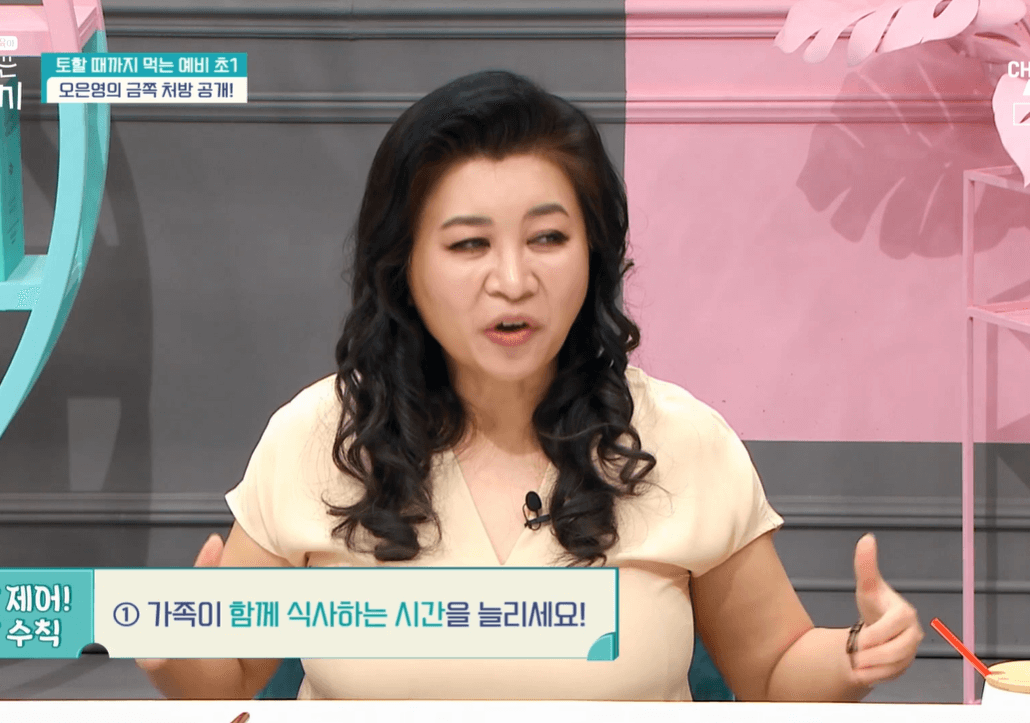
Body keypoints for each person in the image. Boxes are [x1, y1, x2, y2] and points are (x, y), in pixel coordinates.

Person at [138, 69, 923, 701]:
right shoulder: (319, 437)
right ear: (404, 267)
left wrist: (856, 651)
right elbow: (227, 677)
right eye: (468, 245)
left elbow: (774, 671)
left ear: (594, 253)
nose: (513, 280)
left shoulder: (681, 439)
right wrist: (174, 649)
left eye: (548, 238)